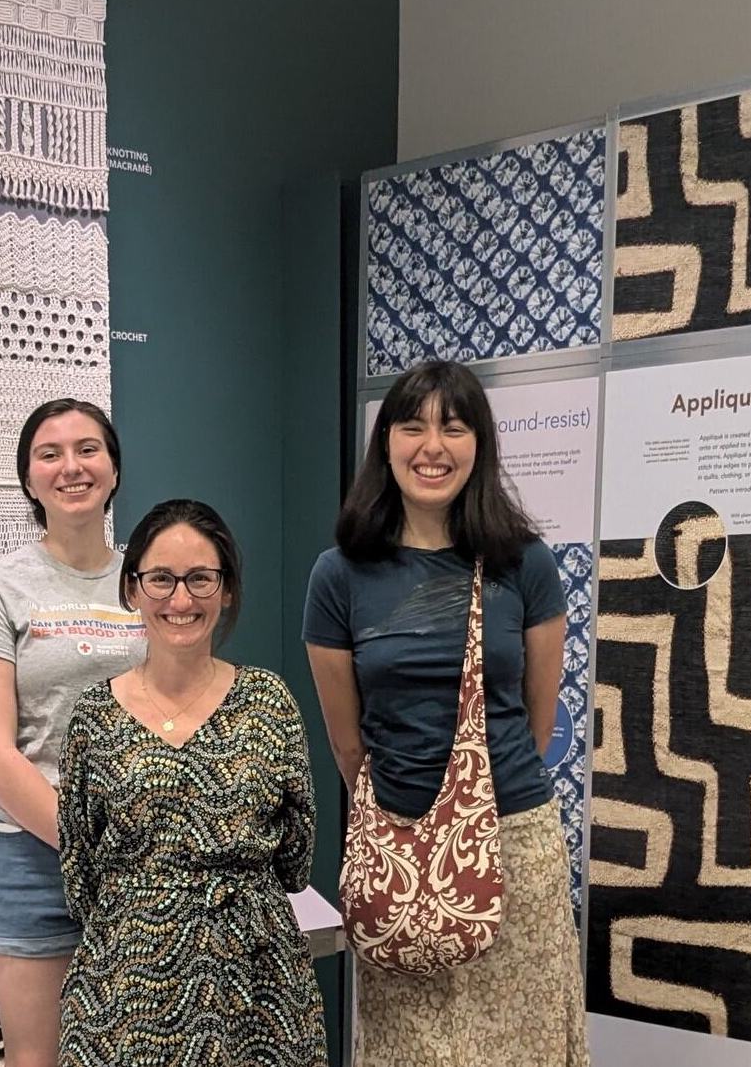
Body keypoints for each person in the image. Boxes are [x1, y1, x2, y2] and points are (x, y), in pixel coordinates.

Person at [301, 360, 587, 1065]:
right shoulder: (338, 575)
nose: (432, 446)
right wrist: (411, 808)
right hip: (395, 844)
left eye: (453, 428)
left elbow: (536, 722)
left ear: (478, 445)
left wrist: (474, 798)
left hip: (513, 836)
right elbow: (347, 743)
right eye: (412, 426)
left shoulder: (525, 565)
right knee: (411, 1048)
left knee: (523, 1043)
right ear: (386, 444)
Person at [58, 500, 326, 1067]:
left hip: (259, 987)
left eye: (200, 579)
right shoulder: (93, 718)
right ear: (132, 590)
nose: (180, 600)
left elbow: (298, 857)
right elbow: (78, 869)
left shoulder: (269, 704)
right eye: (160, 580)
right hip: (124, 995)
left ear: (226, 589)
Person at [0, 399, 146, 1067]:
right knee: (36, 1059)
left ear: (114, 469)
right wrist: (84, 841)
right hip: (36, 859)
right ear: (29, 479)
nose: (72, 466)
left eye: (88, 449)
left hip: (146, 853)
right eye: (50, 453)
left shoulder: (150, 584)